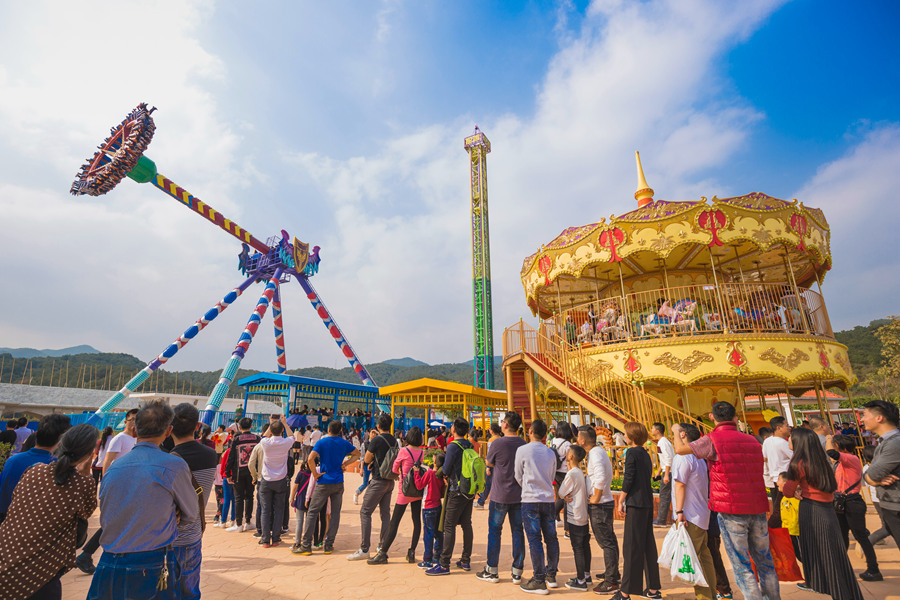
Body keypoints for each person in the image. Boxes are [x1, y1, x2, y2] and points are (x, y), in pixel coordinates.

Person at [86, 402, 199, 600]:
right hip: (152, 562)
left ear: (135, 429)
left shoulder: (115, 466)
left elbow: (107, 510)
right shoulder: (174, 465)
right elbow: (191, 513)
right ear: (168, 430)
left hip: (109, 561)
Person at [673, 401, 779, 600]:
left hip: (731, 508)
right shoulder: (753, 441)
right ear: (736, 418)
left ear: (712, 418)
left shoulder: (712, 439)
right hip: (757, 505)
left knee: (741, 564)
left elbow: (680, 450)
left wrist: (677, 430)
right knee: (764, 561)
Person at [0, 423, 97, 600]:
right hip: (41, 574)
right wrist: (84, 474)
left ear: (60, 445)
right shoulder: (83, 484)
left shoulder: (34, 470)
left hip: (6, 558)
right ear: (91, 454)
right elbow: (87, 512)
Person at [782, 428, 864, 600]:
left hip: (812, 511)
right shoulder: (821, 460)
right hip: (827, 510)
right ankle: (844, 592)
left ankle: (838, 593)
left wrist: (792, 488)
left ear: (799, 442)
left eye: (790, 438)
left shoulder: (799, 463)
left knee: (823, 555)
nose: (788, 440)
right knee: (833, 555)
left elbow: (788, 491)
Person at [76, 409, 138, 575]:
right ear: (125, 422)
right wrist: (107, 485)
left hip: (132, 487)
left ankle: (89, 555)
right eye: (132, 419)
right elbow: (107, 463)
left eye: (138, 420)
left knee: (121, 522)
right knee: (115, 521)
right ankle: (87, 554)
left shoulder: (137, 440)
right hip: (118, 487)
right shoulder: (119, 439)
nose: (134, 423)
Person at [168, 403, 217, 600]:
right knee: (189, 591)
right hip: (193, 535)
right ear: (197, 426)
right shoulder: (211, 455)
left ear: (169, 427)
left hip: (166, 537)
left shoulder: (167, 459)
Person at [476, 411, 527, 584]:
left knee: (495, 532)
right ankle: (517, 571)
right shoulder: (523, 443)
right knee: (518, 532)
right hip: (519, 495)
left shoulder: (498, 443)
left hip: (499, 495)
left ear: (505, 425)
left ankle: (492, 570)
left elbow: (489, 463)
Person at [297, 420, 359, 555]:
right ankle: (329, 545)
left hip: (323, 481)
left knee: (312, 512)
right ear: (340, 430)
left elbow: (310, 459)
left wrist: (315, 474)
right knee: (335, 514)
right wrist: (345, 464)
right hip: (338, 482)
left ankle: (306, 545)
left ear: (329, 429)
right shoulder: (344, 443)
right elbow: (358, 454)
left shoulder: (321, 442)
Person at [613, 422, 661, 600]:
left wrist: (621, 500)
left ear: (630, 437)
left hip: (636, 503)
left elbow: (629, 478)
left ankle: (625, 592)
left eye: (626, 434)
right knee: (648, 546)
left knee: (632, 547)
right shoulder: (646, 453)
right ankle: (653, 589)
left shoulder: (632, 452)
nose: (624, 436)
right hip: (647, 503)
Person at [512, 418, 559, 594]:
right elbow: (552, 475)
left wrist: (527, 487)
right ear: (545, 435)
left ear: (530, 431)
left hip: (530, 499)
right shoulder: (550, 453)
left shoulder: (522, 450)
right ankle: (551, 575)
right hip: (547, 499)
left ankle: (539, 579)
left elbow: (518, 474)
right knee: (551, 538)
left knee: (535, 540)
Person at [670, 423, 716, 600]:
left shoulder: (683, 457)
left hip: (690, 514)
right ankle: (710, 594)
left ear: (683, 435)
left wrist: (679, 511)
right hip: (700, 513)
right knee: (704, 557)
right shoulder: (698, 456)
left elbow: (680, 484)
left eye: (676, 433)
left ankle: (705, 596)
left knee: (693, 560)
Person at [826, 434, 881, 580]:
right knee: (842, 536)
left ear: (841, 448)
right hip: (842, 502)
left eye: (835, 444)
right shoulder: (840, 462)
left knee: (861, 536)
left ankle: (873, 569)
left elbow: (831, 453)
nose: (833, 446)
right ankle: (842, 568)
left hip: (852, 502)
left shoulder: (851, 458)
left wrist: (827, 439)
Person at [426, 417, 476, 576]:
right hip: (469, 490)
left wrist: (438, 473)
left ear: (454, 429)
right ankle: (466, 560)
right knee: (467, 524)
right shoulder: (469, 444)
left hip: (456, 490)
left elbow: (446, 469)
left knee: (449, 526)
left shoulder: (453, 445)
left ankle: (444, 564)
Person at [0, 414, 70, 525]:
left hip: (7, 521)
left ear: (36, 434)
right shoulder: (58, 467)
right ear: (62, 441)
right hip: (34, 526)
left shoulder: (12, 460)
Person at [368, 426, 425, 564]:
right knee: (416, 521)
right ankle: (411, 552)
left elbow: (394, 468)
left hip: (404, 491)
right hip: (417, 490)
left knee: (394, 523)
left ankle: (383, 553)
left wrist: (401, 473)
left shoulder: (404, 451)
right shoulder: (421, 452)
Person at [348, 414, 396, 561]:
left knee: (365, 512)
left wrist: (371, 446)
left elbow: (367, 458)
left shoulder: (376, 440)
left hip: (378, 481)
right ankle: (382, 547)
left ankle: (364, 548)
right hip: (390, 480)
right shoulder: (394, 440)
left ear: (378, 426)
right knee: (385, 513)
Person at [578, 425, 619, 593]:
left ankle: (611, 581)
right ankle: (613, 573)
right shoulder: (598, 451)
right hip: (604, 502)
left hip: (600, 504)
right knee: (610, 539)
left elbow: (600, 477)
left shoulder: (595, 454)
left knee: (606, 542)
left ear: (582, 440)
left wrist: (595, 497)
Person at [861, 399, 900, 549]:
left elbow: (872, 475)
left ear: (879, 418)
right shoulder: (885, 442)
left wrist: (873, 480)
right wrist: (872, 479)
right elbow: (869, 476)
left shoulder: (893, 444)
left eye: (864, 415)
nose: (862, 419)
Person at [256, 416, 295, 548]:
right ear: (282, 431)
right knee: (279, 510)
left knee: (265, 510)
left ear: (271, 432)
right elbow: (292, 436)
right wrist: (284, 423)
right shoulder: (285, 443)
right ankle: (276, 538)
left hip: (266, 480)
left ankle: (265, 540)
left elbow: (263, 435)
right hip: (281, 480)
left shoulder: (266, 443)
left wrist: (272, 423)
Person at [558, 445, 591, 591]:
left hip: (575, 515)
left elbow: (560, 492)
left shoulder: (571, 474)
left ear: (570, 456)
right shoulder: (580, 472)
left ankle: (580, 580)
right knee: (584, 546)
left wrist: (564, 496)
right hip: (582, 514)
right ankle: (586, 575)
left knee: (577, 548)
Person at [225, 417, 260, 532]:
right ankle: (248, 522)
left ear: (239, 427)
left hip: (238, 472)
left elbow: (231, 457)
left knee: (238, 497)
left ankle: (239, 524)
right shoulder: (257, 438)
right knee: (250, 496)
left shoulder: (237, 439)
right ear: (251, 426)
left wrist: (227, 472)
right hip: (252, 472)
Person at [414, 452, 445, 569]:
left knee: (428, 534)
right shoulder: (441, 475)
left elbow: (419, 485)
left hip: (428, 507)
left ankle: (427, 560)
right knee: (438, 533)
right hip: (438, 506)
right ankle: (437, 556)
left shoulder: (430, 474)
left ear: (435, 462)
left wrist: (416, 472)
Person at [762, 416, 792, 528]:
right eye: (786, 425)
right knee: (782, 508)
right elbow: (795, 457)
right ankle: (775, 529)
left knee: (777, 506)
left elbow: (764, 458)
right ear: (779, 428)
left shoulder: (767, 441)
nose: (789, 428)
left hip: (774, 478)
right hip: (785, 478)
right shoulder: (783, 443)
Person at [550, 421, 572, 533]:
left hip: (555, 472)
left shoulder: (552, 441)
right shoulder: (567, 443)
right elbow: (569, 460)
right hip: (564, 473)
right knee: (567, 499)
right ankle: (568, 529)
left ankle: (553, 517)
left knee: (560, 497)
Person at [651, 422, 674, 528]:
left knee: (664, 496)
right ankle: (661, 519)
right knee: (665, 495)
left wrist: (666, 474)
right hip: (667, 471)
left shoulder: (663, 443)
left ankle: (661, 520)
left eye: (652, 428)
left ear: (657, 431)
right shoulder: (662, 442)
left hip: (668, 472)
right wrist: (659, 472)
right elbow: (664, 459)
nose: (651, 430)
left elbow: (668, 458)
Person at [476, 423, 502, 509]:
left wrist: (487, 467)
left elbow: (490, 454)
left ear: (492, 430)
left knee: (487, 483)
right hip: (500, 464)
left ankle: (481, 502)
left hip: (491, 464)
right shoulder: (501, 439)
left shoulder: (491, 440)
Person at [353, 428, 376, 505]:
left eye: (375, 433)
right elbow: (362, 457)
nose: (374, 435)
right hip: (366, 466)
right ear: (369, 434)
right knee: (365, 483)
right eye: (372, 433)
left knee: (375, 482)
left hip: (375, 466)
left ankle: (375, 499)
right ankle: (356, 494)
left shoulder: (377, 443)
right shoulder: (364, 444)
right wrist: (361, 469)